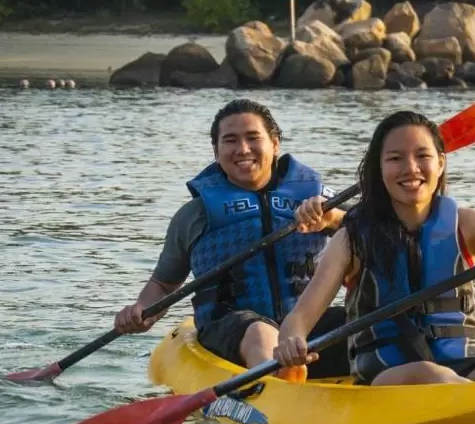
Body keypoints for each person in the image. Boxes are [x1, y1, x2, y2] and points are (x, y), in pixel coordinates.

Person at [273, 110, 475, 386]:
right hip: (389, 373)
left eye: (422, 156)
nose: (411, 168)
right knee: (432, 375)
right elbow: (300, 318)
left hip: (463, 363)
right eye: (395, 159)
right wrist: (292, 341)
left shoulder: (468, 224)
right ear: (379, 169)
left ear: (441, 162)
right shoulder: (351, 238)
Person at [114, 98, 350, 380]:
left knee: (373, 321)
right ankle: (279, 388)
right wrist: (143, 310)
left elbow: (378, 233)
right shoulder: (194, 215)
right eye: (230, 141)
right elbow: (164, 284)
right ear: (216, 151)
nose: (242, 149)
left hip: (305, 325)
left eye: (253, 138)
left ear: (275, 144)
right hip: (230, 327)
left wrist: (334, 219)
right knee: (261, 333)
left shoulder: (319, 202)